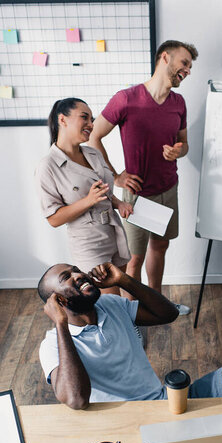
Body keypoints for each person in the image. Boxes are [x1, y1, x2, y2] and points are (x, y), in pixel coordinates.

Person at [37, 262, 222, 409]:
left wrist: (123, 280)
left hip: (164, 401)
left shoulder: (111, 304)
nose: (77, 275)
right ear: (58, 301)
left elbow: (168, 314)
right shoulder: (52, 346)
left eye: (76, 270)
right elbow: (76, 399)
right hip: (124, 424)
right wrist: (61, 324)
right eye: (66, 278)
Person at [89, 40, 199, 314]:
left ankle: (157, 304)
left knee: (160, 247)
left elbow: (184, 144)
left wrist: (178, 151)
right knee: (133, 260)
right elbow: (93, 136)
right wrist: (116, 176)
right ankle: (134, 315)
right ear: (165, 58)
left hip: (168, 189)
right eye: (184, 63)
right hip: (136, 197)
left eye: (190, 67)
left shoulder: (178, 103)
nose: (187, 70)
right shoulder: (126, 99)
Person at [35, 98, 133, 295]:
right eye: (84, 117)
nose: (91, 124)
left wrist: (118, 202)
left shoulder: (93, 154)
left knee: (122, 295)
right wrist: (87, 201)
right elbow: (53, 219)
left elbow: (103, 191)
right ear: (62, 119)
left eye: (92, 119)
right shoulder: (48, 166)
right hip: (89, 244)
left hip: (114, 233)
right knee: (110, 300)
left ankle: (128, 326)